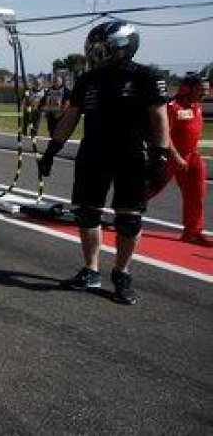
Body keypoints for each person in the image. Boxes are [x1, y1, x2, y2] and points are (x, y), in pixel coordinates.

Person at [38, 21, 170, 305]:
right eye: (93, 49)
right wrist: (51, 149)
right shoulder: (88, 79)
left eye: (102, 49)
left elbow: (160, 117)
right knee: (87, 213)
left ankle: (122, 273)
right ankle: (91, 269)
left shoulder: (146, 76)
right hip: (94, 151)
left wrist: (161, 155)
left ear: (123, 47)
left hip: (132, 153)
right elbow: (71, 116)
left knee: (128, 219)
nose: (96, 54)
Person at [165, 74, 209, 246]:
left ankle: (193, 232)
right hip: (170, 156)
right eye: (201, 90)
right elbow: (163, 134)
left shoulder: (197, 106)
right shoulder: (172, 107)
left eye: (206, 90)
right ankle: (126, 215)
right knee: (150, 189)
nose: (204, 93)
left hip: (192, 156)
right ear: (186, 89)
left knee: (197, 193)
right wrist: (175, 156)